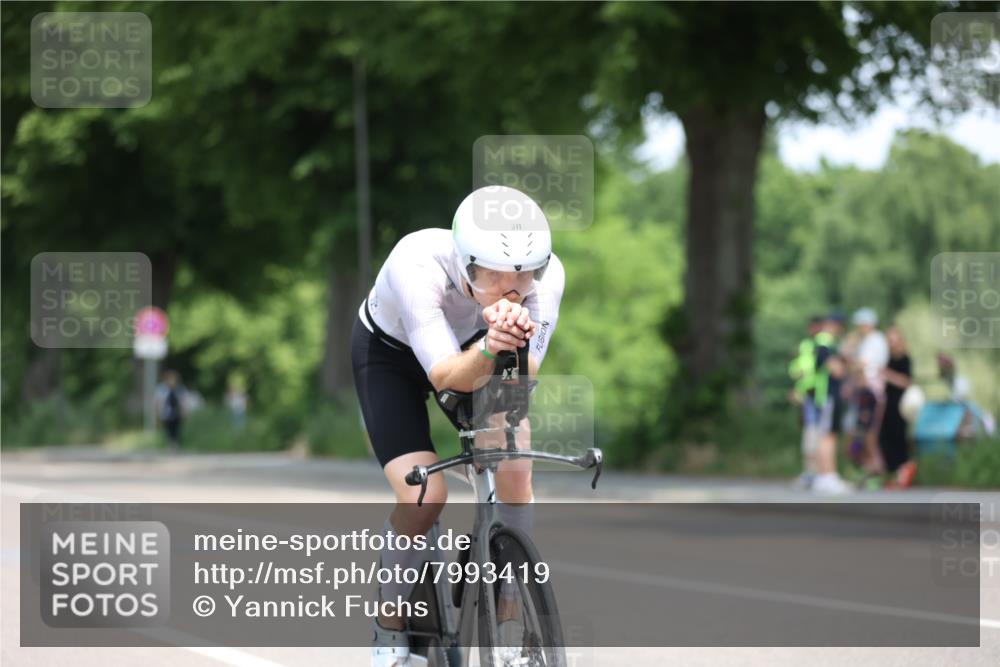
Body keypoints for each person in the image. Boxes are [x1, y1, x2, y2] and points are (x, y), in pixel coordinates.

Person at [351, 185, 563, 667]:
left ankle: (508, 619)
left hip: (476, 345)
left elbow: (520, 382)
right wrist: (492, 346)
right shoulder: (416, 264)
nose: (512, 290)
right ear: (466, 264)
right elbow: (445, 375)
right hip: (391, 355)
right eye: (495, 276)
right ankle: (388, 626)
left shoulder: (546, 281)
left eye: (525, 276)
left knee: (514, 461)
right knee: (423, 494)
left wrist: (512, 347)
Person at [811, 312, 852, 495]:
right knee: (829, 436)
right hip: (828, 395)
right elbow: (836, 371)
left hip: (824, 396)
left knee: (825, 435)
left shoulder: (822, 342)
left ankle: (823, 476)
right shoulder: (824, 343)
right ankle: (828, 476)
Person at [847, 307, 889, 477]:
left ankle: (877, 469)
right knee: (862, 433)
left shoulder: (875, 340)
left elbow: (862, 365)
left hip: (871, 392)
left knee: (869, 433)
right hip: (865, 391)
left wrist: (850, 361)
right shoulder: (868, 340)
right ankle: (870, 469)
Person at [788, 316, 824, 489]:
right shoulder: (807, 345)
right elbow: (799, 370)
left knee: (816, 434)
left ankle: (816, 473)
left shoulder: (823, 344)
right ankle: (811, 472)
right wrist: (797, 388)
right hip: (809, 395)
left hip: (818, 395)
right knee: (810, 433)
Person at [878, 326, 916, 487]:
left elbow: (906, 382)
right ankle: (893, 473)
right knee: (884, 438)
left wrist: (888, 375)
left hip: (900, 405)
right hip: (886, 404)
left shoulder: (905, 359)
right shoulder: (886, 358)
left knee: (898, 437)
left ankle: (904, 471)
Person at [155, 370, 185, 451]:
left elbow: (183, 402)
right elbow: (158, 402)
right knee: (168, 429)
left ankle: (175, 445)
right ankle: (170, 445)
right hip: (166, 413)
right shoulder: (162, 389)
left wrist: (184, 412)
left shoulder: (179, 389)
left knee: (176, 429)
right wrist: (158, 413)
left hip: (176, 413)